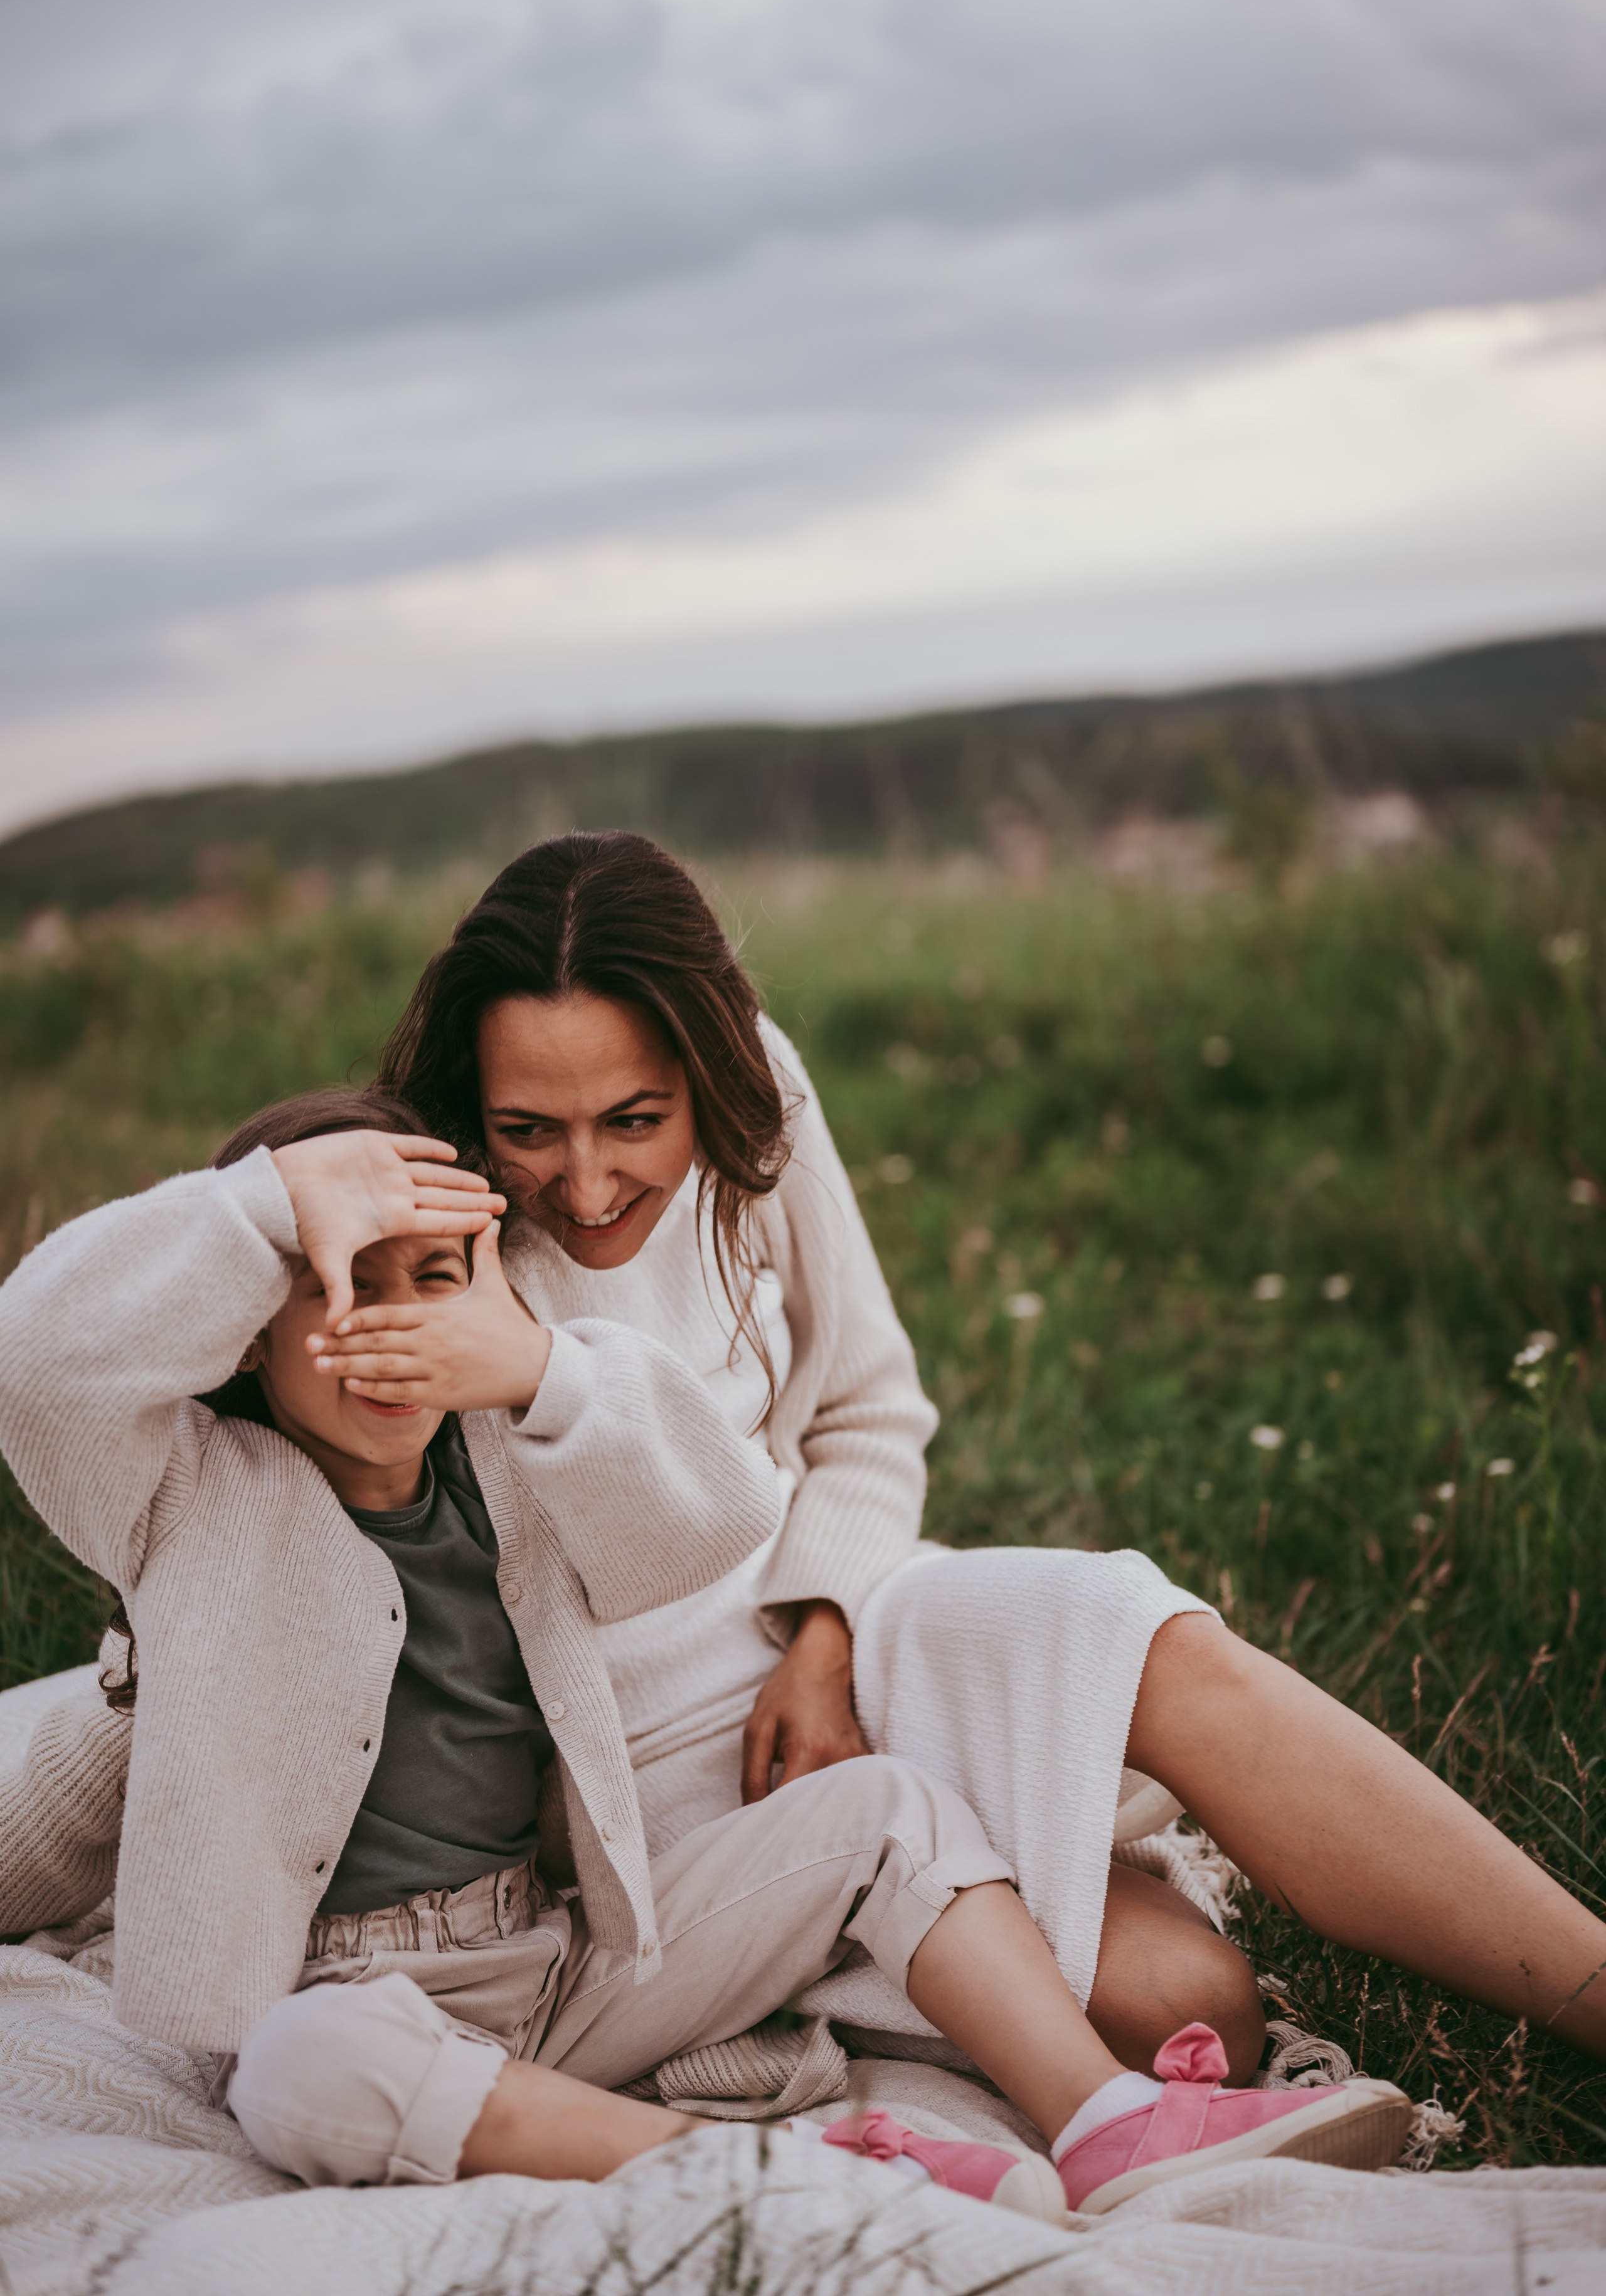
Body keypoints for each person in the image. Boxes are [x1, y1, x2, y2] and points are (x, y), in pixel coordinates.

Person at [0, 1088, 1415, 2219]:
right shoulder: (184, 1495)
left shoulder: (511, 1460)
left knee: (880, 1810)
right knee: (311, 2075)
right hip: (329, 1999)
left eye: (434, 1281)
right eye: (337, 1284)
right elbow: (37, 1358)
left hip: (551, 1973)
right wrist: (267, 1205)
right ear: (250, 1324)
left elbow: (717, 1508)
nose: (392, 1325)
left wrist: (545, 1370)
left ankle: (1106, 2123)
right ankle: (774, 2177)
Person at [331, 828, 1606, 2080]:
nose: (590, 1180)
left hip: (845, 1625)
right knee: (1189, 2006)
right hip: (660, 1777)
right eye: (530, 1130)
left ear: (705, 1075)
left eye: (632, 1118)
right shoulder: (418, 1234)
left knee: (1136, 1625)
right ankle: (986, 1854)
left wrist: (825, 1627)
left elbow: (870, 1408)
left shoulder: (754, 1089)